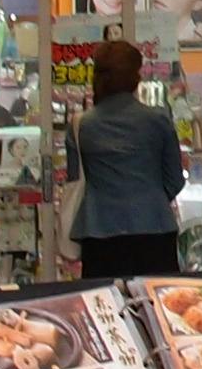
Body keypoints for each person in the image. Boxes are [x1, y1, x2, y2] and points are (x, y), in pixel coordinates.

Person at [68, 37, 188, 281]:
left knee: (107, 309)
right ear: (136, 77)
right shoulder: (157, 120)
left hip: (99, 231)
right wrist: (149, 198)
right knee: (154, 307)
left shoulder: (81, 125)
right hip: (154, 228)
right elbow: (175, 179)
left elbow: (74, 179)